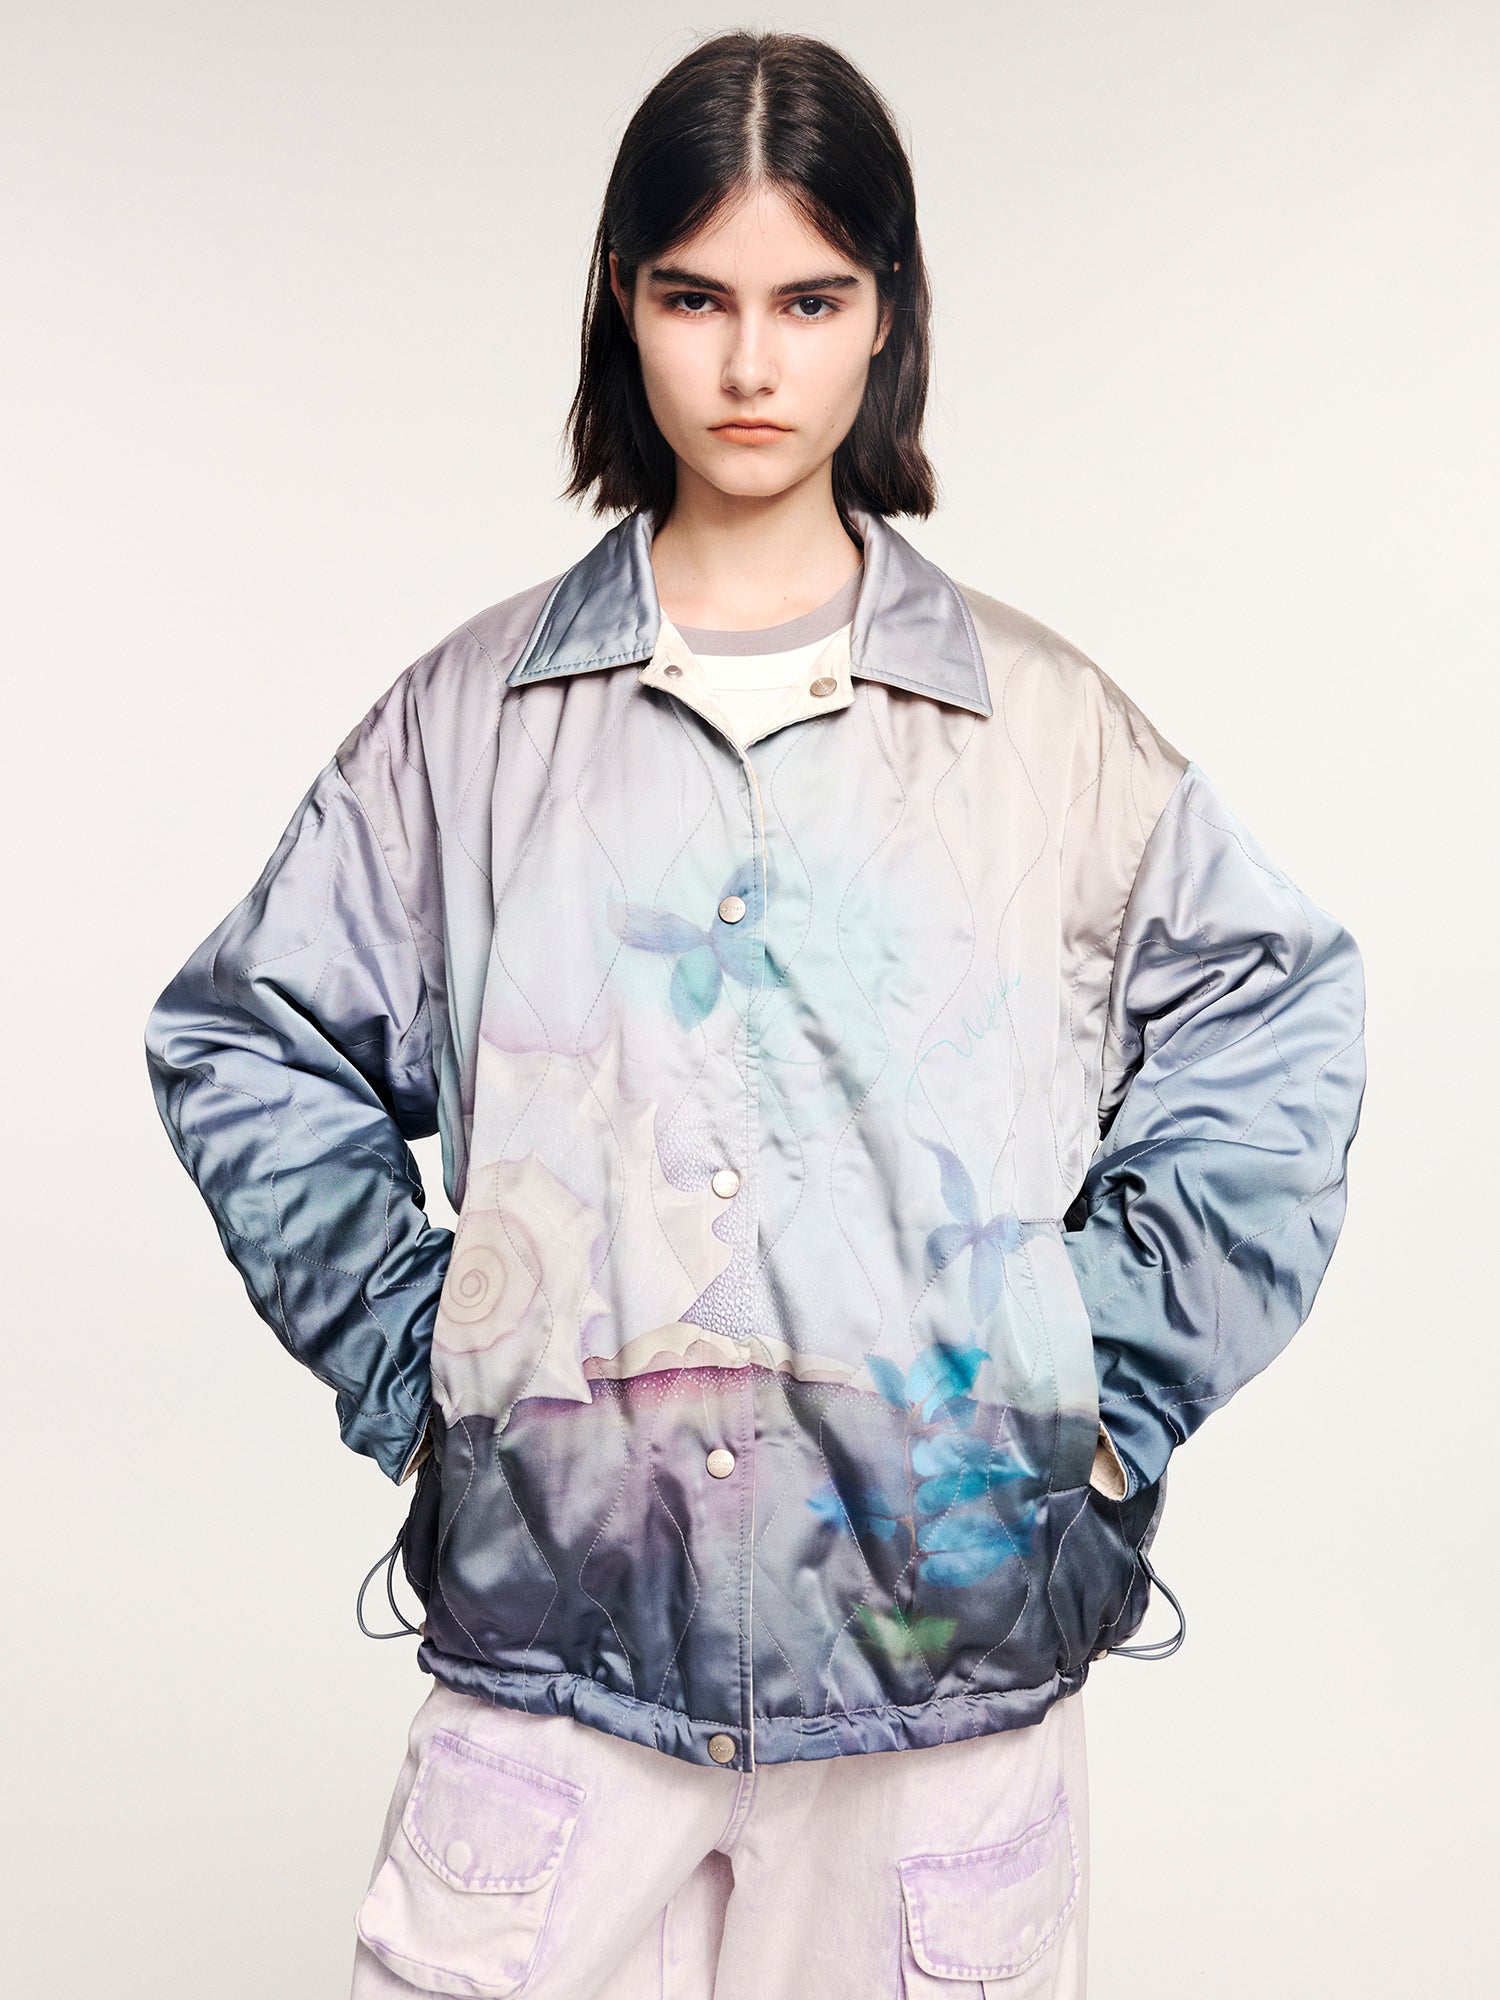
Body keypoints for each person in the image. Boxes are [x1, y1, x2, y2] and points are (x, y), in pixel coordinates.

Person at [144, 29, 1366, 2000]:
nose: (749, 364)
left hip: (936, 1675)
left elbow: (1273, 1029)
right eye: (694, 296)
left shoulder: (1046, 733)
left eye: (810, 301)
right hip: (561, 1660)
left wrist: (1094, 1400)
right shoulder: (473, 725)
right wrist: (423, 1366)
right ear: (620, 305)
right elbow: (248, 1034)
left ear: (887, 316)